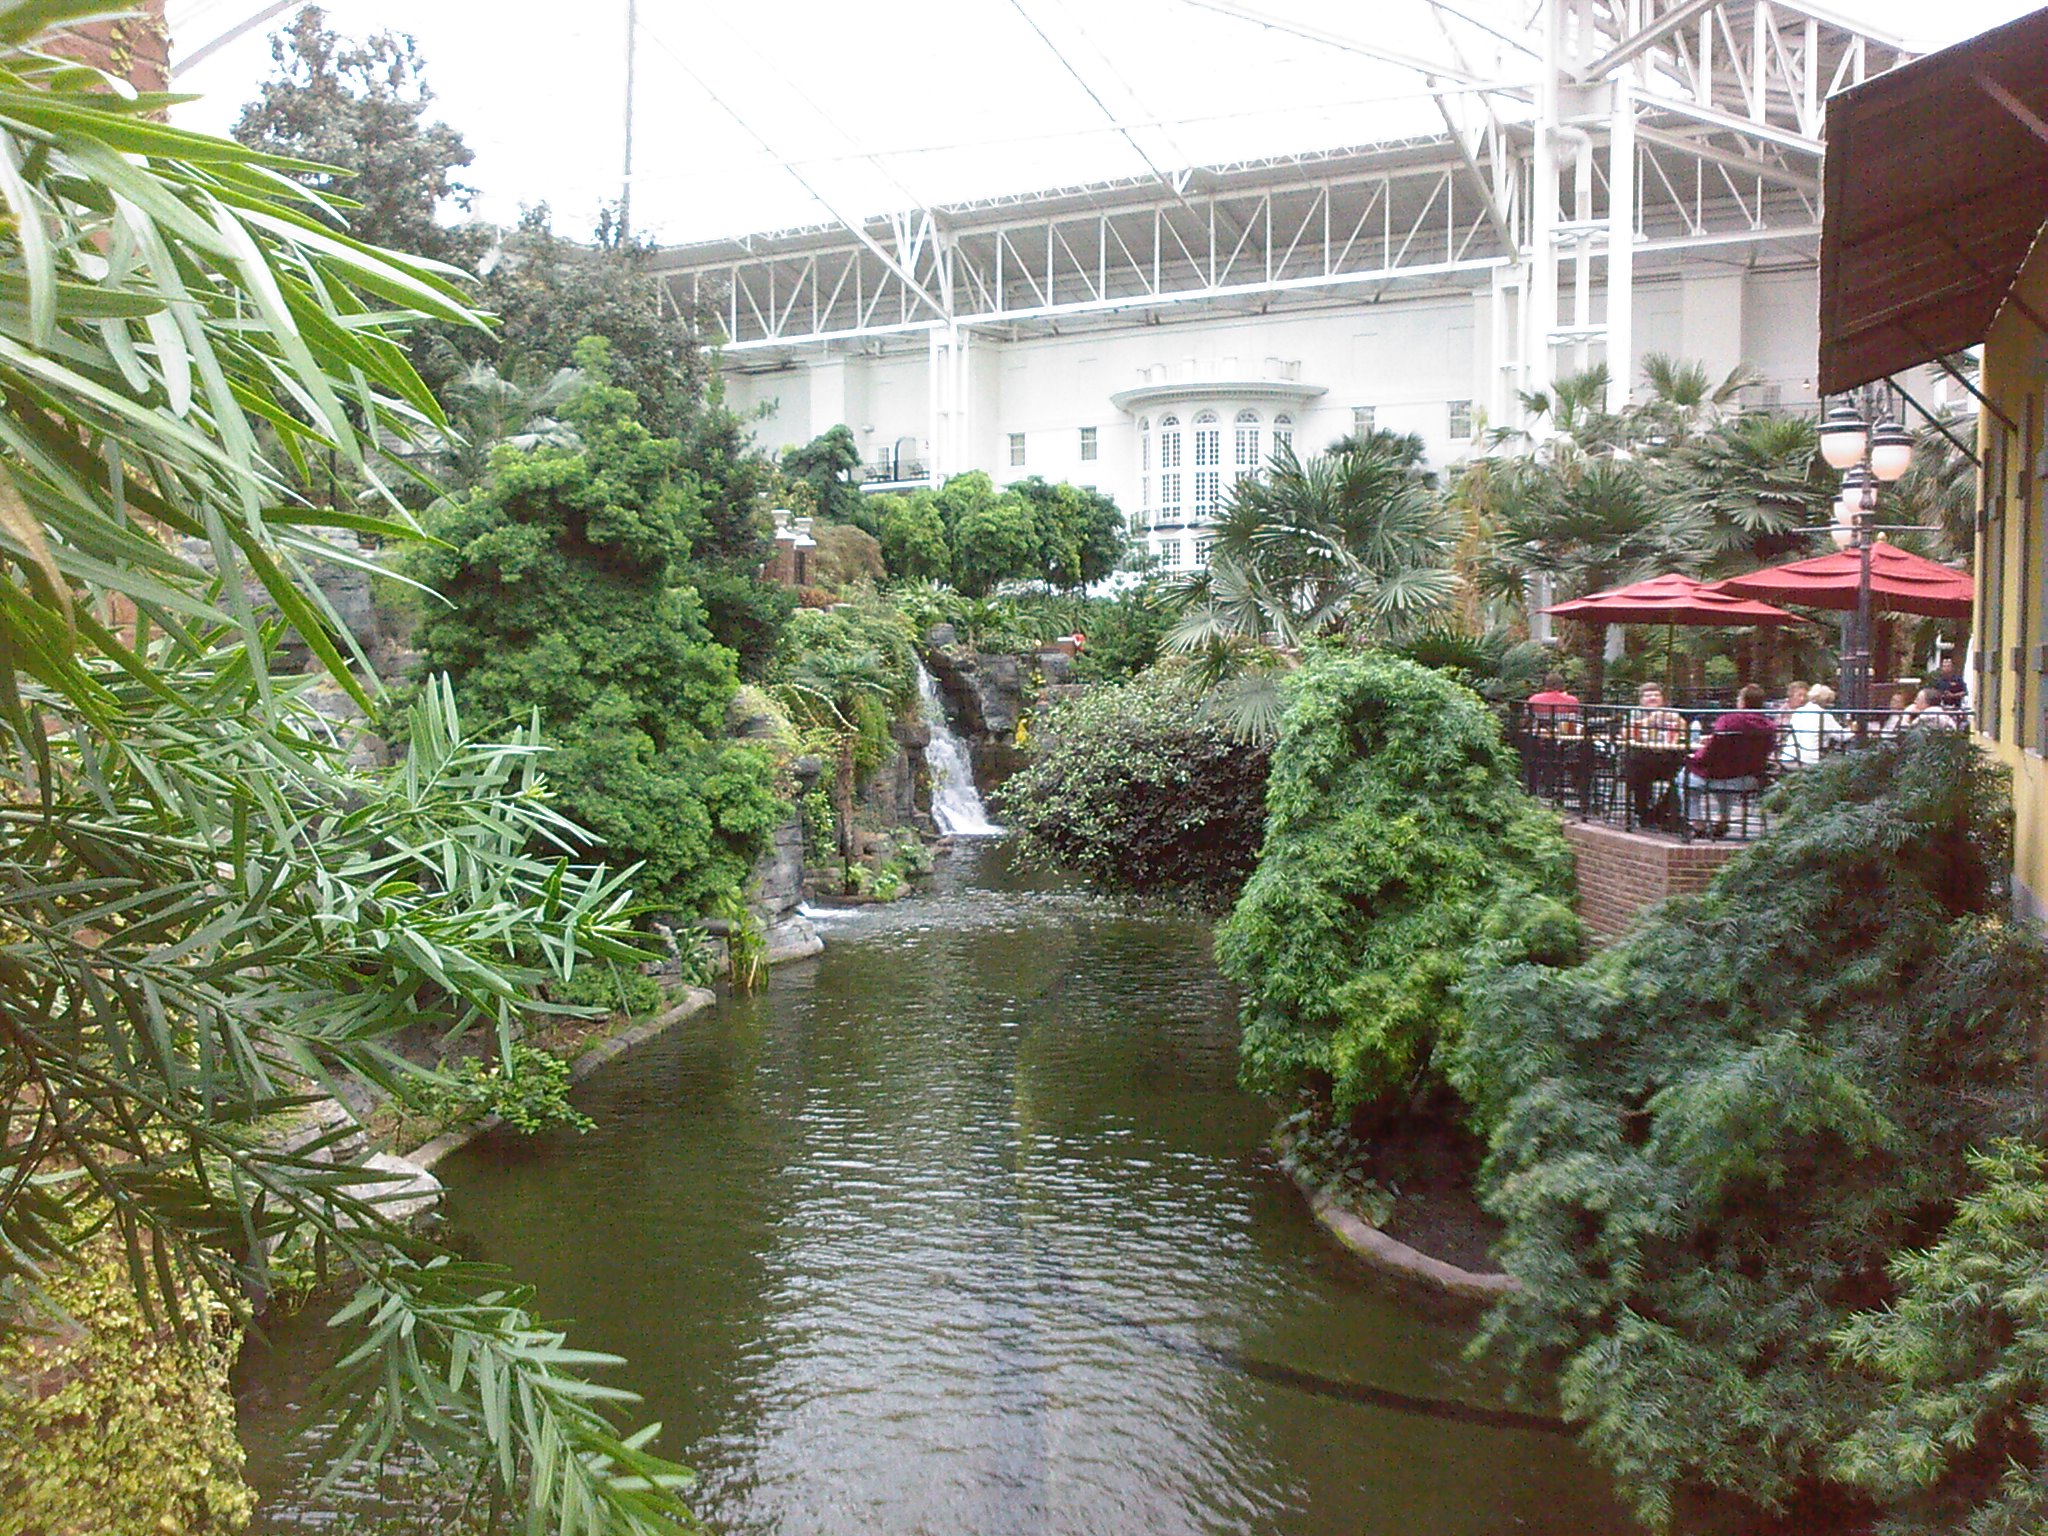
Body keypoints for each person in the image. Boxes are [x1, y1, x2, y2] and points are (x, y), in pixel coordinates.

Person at [1676, 683, 1777, 837]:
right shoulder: (1769, 726)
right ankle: (1724, 821)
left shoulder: (1728, 721)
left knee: (1684, 777)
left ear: (1742, 702)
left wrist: (1694, 757)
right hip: (1750, 778)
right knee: (1724, 778)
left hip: (1719, 776)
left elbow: (1711, 753)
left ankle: (1697, 824)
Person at [1782, 683, 1844, 764]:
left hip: (1787, 758)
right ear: (1826, 701)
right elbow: (1841, 736)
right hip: (1809, 761)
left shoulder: (1798, 711)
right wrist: (1854, 729)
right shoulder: (1824, 715)